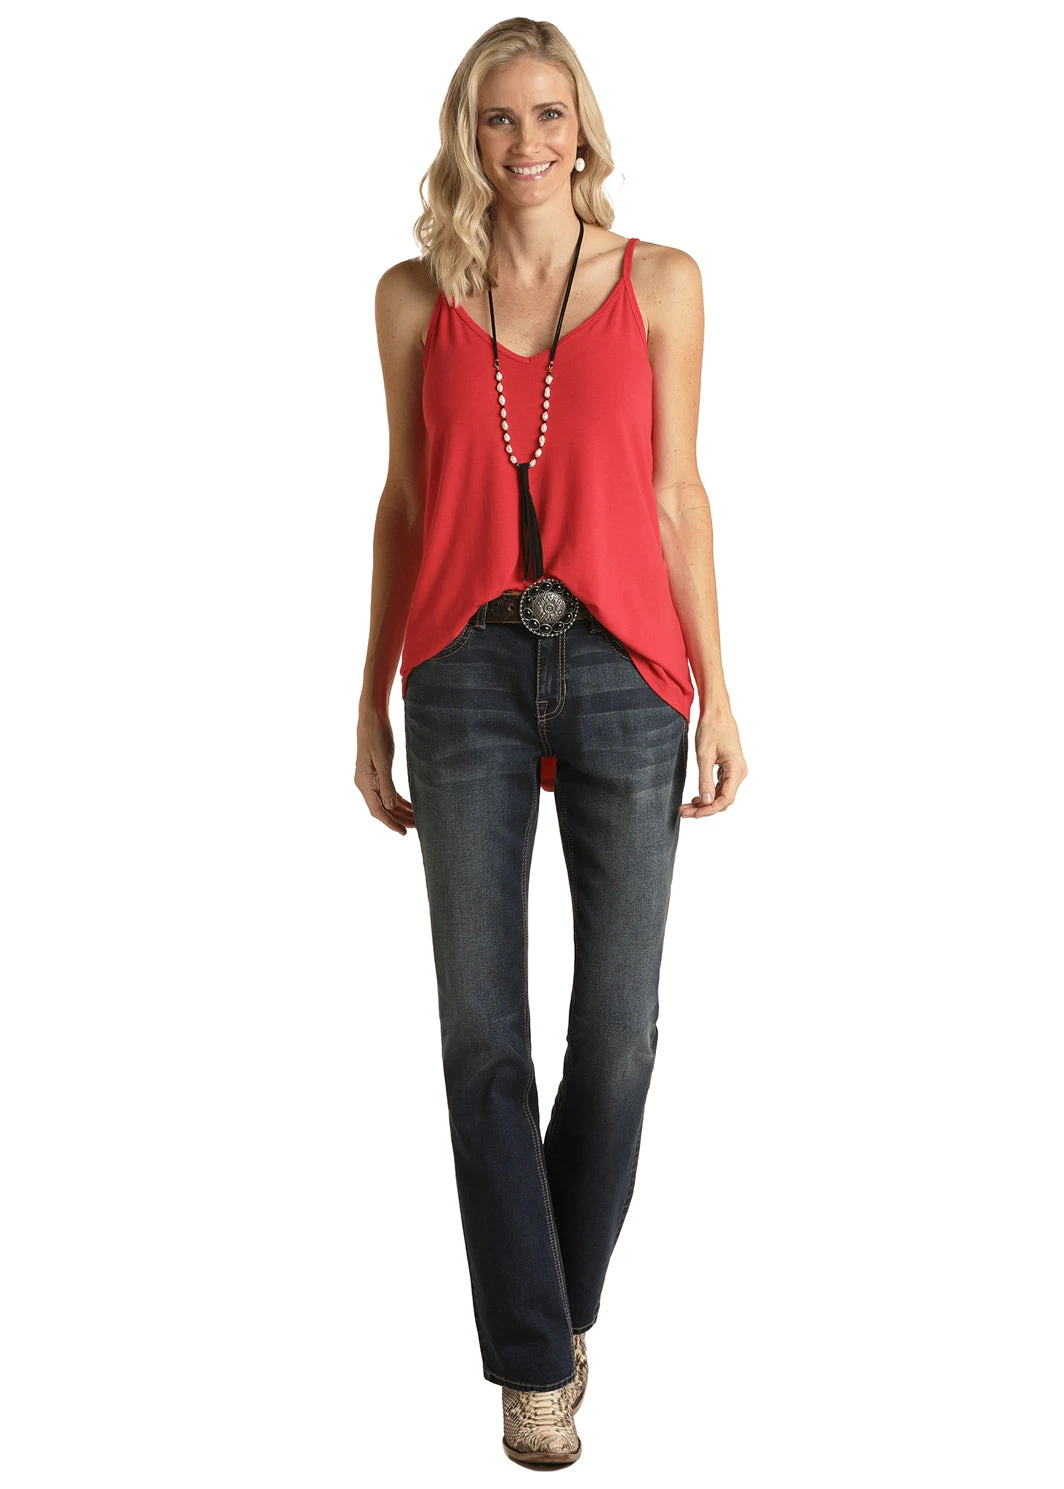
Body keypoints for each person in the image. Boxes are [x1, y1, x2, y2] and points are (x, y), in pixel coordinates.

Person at [354, 16, 747, 1470]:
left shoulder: (661, 282)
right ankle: (535, 1365)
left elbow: (679, 493)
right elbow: (404, 503)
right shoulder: (413, 296)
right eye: (498, 118)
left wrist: (721, 694)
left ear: (585, 131)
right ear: (467, 136)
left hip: (626, 669)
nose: (526, 143)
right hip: (459, 667)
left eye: (548, 115)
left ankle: (555, 1308)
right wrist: (367, 701)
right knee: (482, 1032)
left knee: (621, 1032)